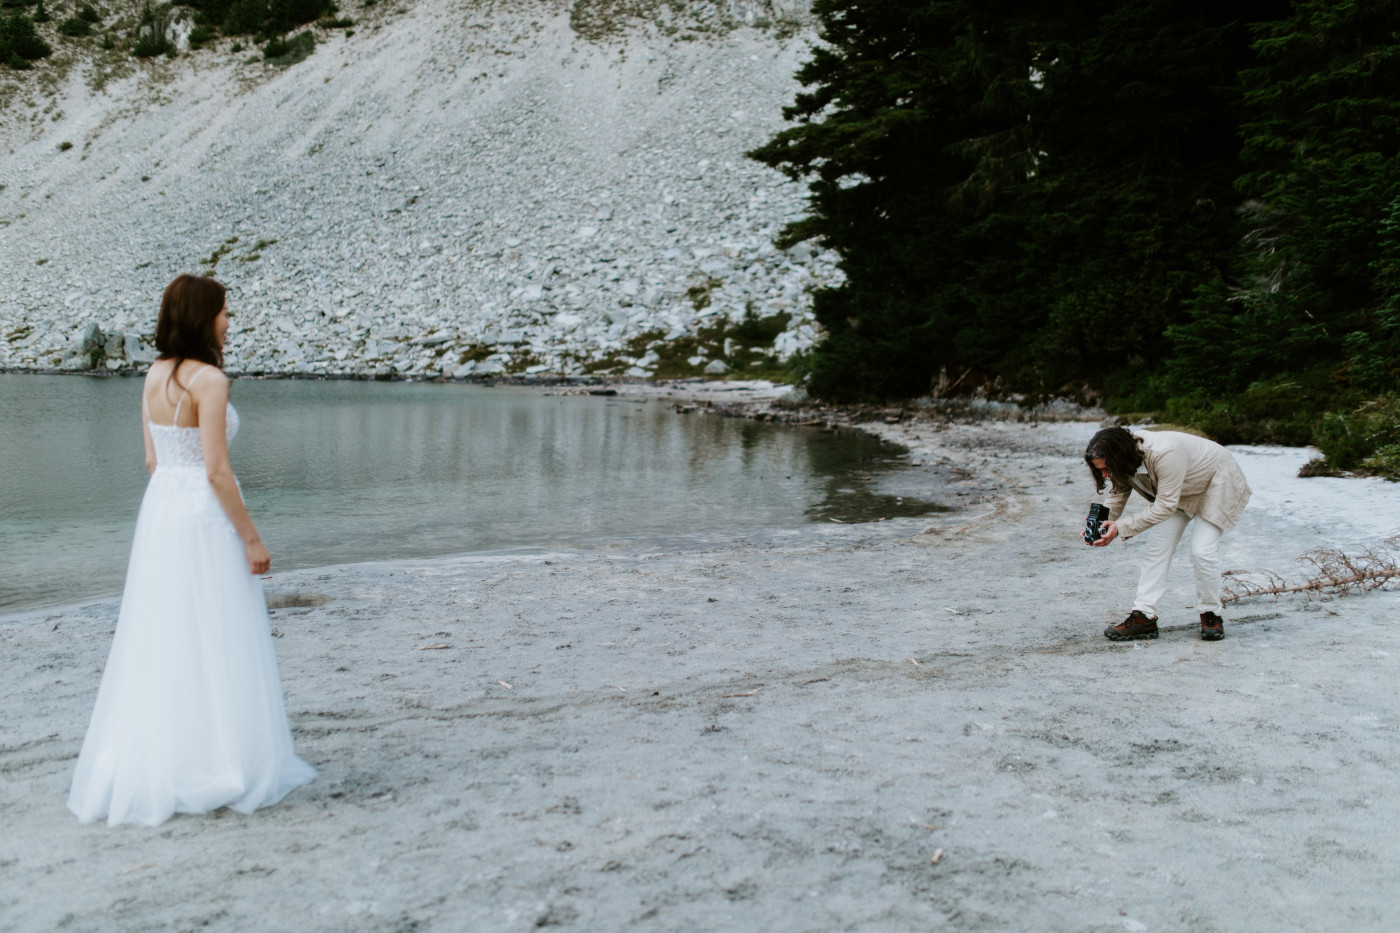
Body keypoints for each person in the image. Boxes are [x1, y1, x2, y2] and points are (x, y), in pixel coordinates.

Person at [68, 274, 316, 827]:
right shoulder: (209, 380)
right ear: (204, 318)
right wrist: (251, 535)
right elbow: (217, 470)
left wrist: (174, 500)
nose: (230, 321)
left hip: (162, 513)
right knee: (217, 629)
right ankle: (219, 758)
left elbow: (154, 461)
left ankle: (167, 756)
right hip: (203, 514)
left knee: (166, 630)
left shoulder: (153, 374)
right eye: (225, 311)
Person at [1084, 426, 1252, 642]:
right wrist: (1099, 524)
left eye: (1107, 468)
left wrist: (1121, 528)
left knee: (1201, 552)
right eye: (1100, 471)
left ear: (1119, 456)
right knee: (1157, 549)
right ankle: (1143, 617)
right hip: (1178, 492)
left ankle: (1211, 614)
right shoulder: (1125, 459)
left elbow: (1164, 507)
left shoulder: (1165, 454)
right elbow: (1118, 492)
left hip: (1216, 483)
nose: (1105, 475)